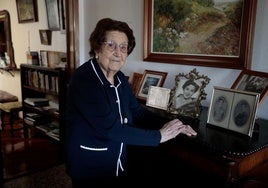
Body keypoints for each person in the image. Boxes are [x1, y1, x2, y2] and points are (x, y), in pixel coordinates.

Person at [64, 18, 197, 187]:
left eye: (123, 47)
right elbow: (110, 130)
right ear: (97, 47)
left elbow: (137, 111)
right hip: (91, 165)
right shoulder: (85, 80)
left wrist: (174, 124)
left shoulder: (119, 77)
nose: (117, 52)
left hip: (116, 161)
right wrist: (160, 136)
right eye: (111, 44)